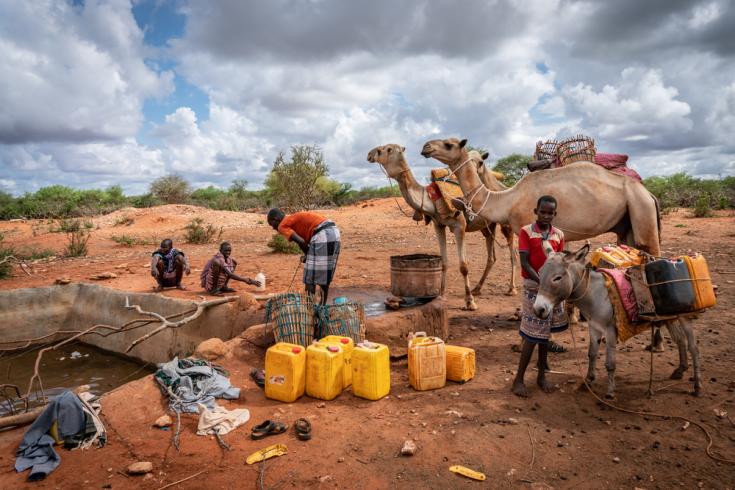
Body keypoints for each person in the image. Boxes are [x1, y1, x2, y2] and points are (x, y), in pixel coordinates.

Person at [512, 195, 568, 397]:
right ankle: (518, 379)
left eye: (550, 213)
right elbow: (525, 262)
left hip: (550, 292)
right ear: (536, 212)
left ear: (555, 214)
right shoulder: (526, 232)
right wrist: (542, 281)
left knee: (545, 334)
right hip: (533, 288)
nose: (546, 216)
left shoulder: (558, 235)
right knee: (531, 335)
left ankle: (541, 376)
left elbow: (560, 263)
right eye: (542, 212)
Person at [267, 208, 341, 305]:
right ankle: (322, 307)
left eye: (271, 224)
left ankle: (309, 310)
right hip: (334, 232)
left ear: (275, 219)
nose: (273, 228)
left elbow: (301, 241)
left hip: (322, 234)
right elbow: (304, 241)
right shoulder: (292, 219)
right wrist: (308, 255)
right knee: (324, 275)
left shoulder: (282, 225)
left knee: (309, 278)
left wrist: (308, 255)